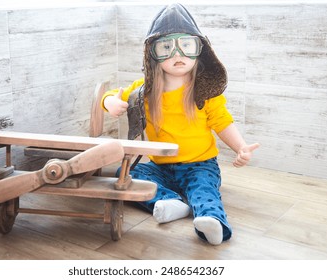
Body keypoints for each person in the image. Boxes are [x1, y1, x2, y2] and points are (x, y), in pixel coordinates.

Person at [101, 3, 259, 245]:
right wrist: (111, 101)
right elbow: (112, 94)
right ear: (152, 53)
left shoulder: (204, 91)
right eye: (166, 47)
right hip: (159, 167)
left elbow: (222, 121)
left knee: (204, 192)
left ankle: (212, 221)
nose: (177, 54)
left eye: (186, 46)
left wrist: (241, 147)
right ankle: (170, 202)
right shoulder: (143, 90)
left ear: (199, 51)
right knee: (126, 176)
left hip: (200, 165)